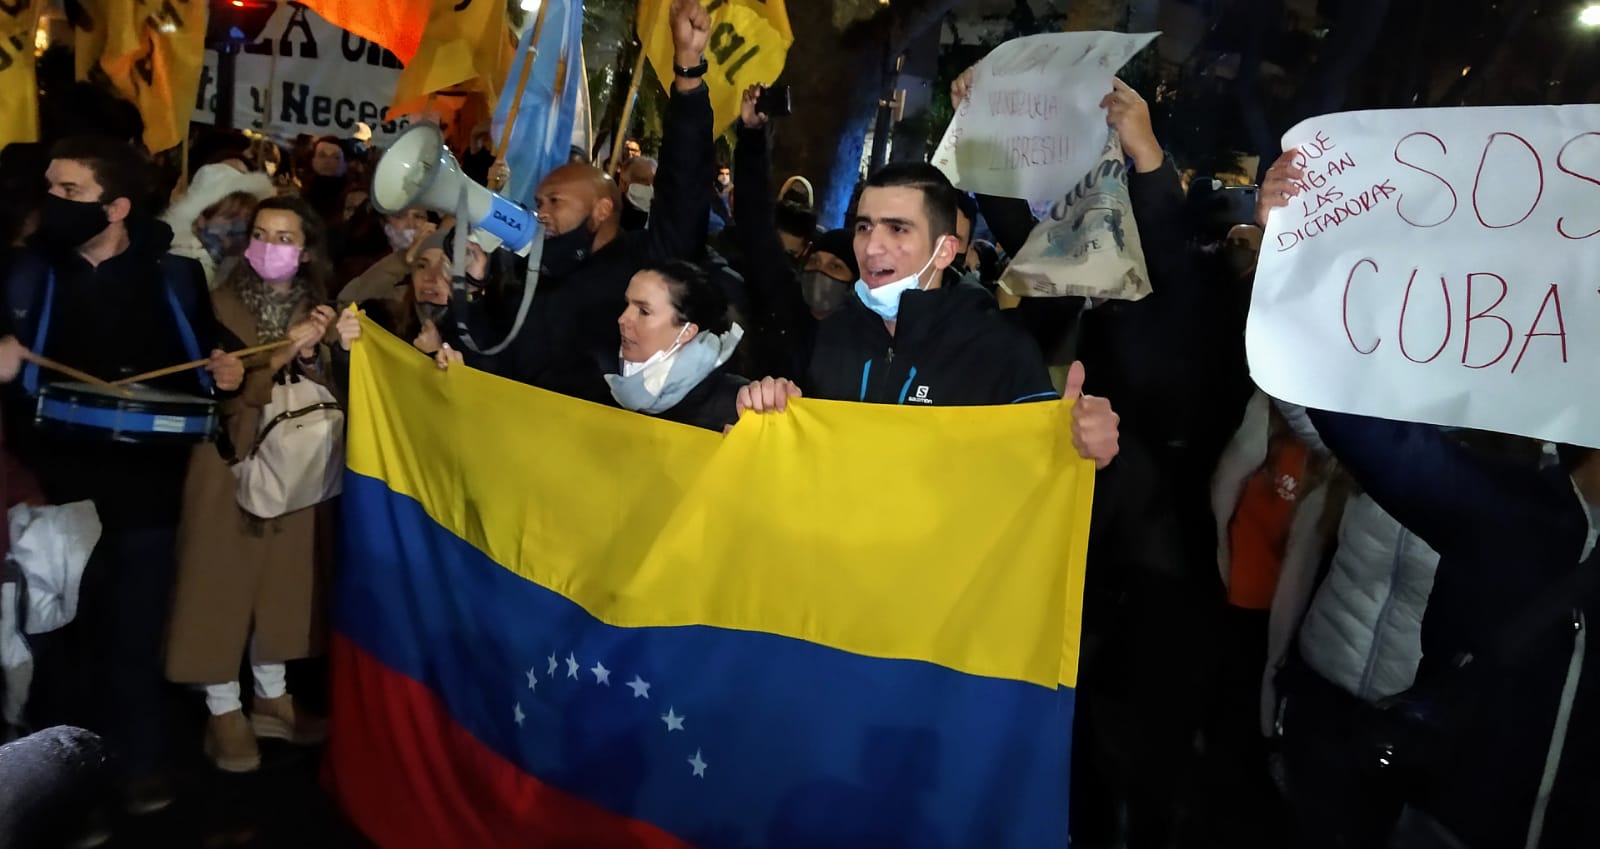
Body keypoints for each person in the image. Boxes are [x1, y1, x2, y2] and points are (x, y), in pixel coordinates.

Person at [1259, 151, 1600, 849]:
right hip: (1348, 696)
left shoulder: (1525, 481)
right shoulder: (1486, 489)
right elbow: (1337, 421)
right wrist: (1289, 260)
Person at [0, 135, 243, 817]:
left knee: (135, 635)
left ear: (117, 207)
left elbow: (206, 358)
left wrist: (226, 368)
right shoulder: (23, 275)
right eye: (49, 188)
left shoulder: (173, 276)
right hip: (51, 491)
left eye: (68, 192)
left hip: (145, 495)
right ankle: (55, 781)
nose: (51, 203)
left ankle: (138, 760)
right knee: (55, 645)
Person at [732, 160, 1120, 469]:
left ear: (946, 250)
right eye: (864, 227)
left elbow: (1040, 470)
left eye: (898, 229)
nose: (871, 247)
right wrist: (772, 408)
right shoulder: (830, 334)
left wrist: (1082, 446)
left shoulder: (998, 350)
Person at [463, 0, 715, 402]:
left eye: (555, 202)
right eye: (539, 201)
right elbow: (492, 363)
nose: (540, 211)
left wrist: (687, 71)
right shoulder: (520, 273)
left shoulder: (643, 263)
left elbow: (685, 183)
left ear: (602, 210)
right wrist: (472, 291)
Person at [165, 197, 337, 774]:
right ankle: (223, 709)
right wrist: (282, 353)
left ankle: (273, 695)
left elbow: (335, 388)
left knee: (282, 582)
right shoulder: (212, 302)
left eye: (285, 238)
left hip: (294, 466)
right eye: (261, 234)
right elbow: (224, 388)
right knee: (220, 582)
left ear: (305, 249)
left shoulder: (322, 309)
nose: (270, 246)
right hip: (226, 462)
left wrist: (326, 352)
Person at [160, 161, 276, 288]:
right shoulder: (184, 268)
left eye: (248, 221)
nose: (240, 227)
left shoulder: (231, 270)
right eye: (231, 216)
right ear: (201, 220)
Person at [618, 157, 658, 232]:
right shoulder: (613, 218)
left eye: (654, 182)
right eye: (643, 181)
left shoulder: (659, 218)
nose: (650, 188)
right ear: (623, 183)